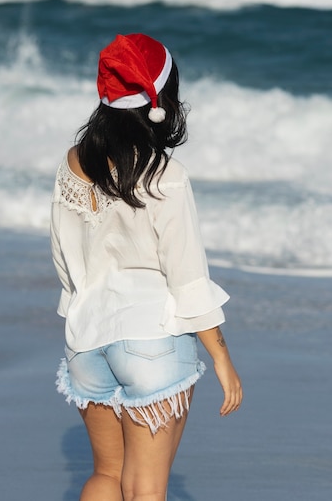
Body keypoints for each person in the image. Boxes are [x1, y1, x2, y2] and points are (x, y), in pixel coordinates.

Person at [50, 33, 242, 501]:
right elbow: (187, 274)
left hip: (86, 340)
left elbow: (63, 262)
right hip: (152, 339)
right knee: (147, 490)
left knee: (106, 475)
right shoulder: (165, 175)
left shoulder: (72, 165)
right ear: (162, 99)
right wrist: (221, 356)